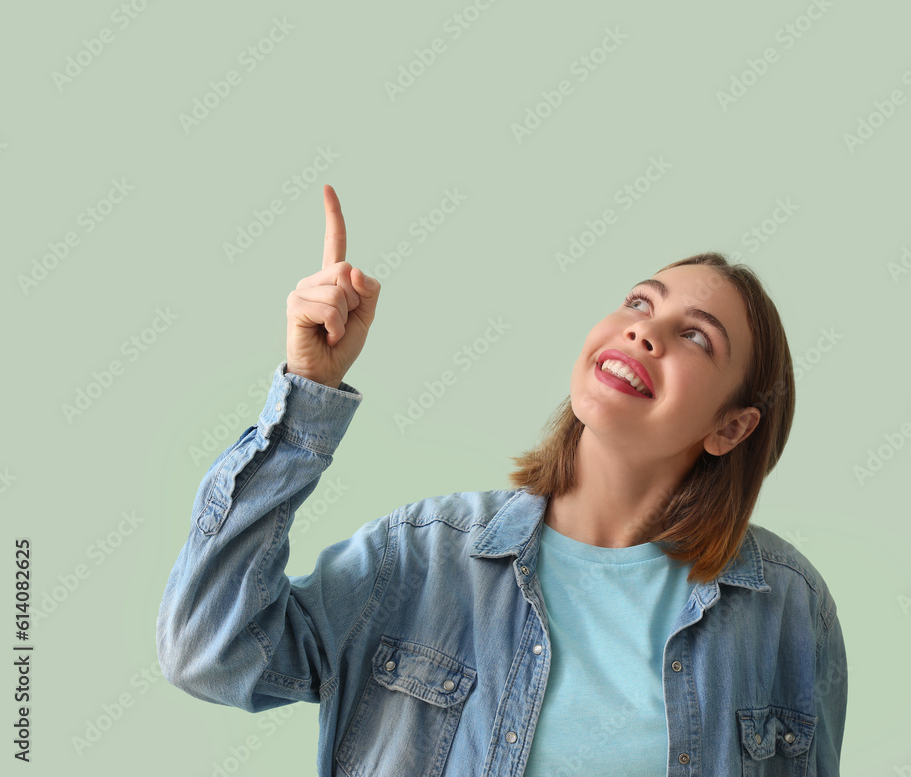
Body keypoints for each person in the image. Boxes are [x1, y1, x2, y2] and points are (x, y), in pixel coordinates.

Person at [156, 185, 848, 776]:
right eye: (640, 303)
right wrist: (309, 391)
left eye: (697, 337)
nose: (645, 332)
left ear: (732, 427)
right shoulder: (421, 558)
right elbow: (210, 653)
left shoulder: (785, 605)